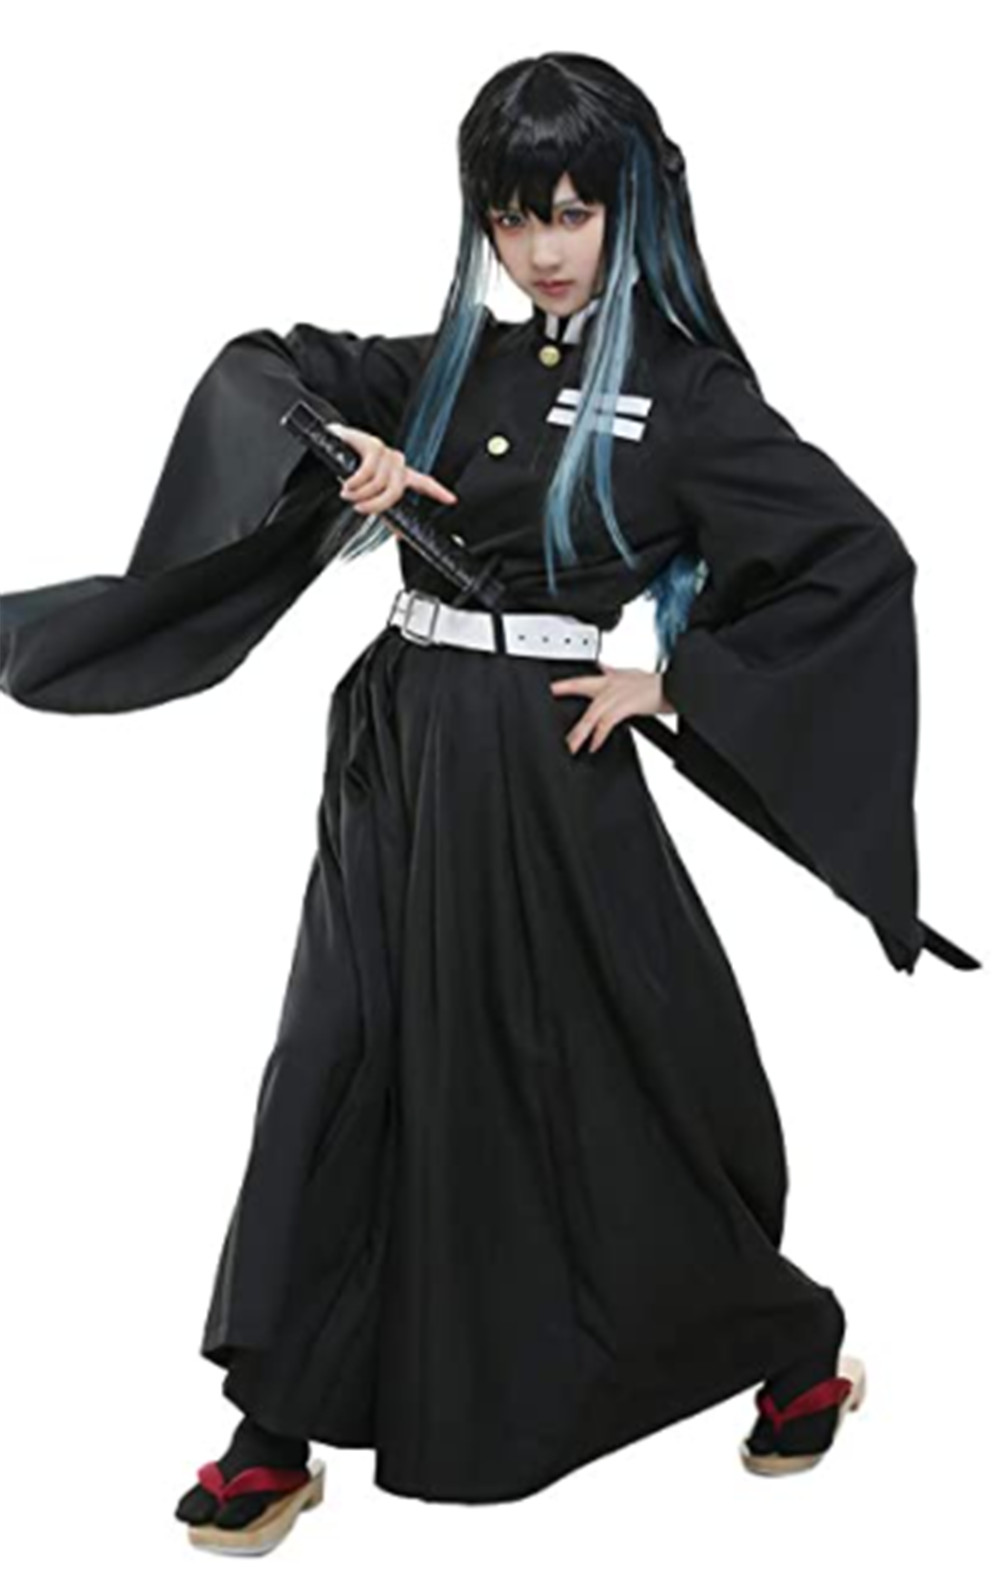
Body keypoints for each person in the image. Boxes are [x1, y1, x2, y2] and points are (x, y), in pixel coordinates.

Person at [0, 52, 979, 1552]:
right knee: (337, 1057)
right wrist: (344, 444)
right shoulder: (452, 363)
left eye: (572, 211)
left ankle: (791, 1339)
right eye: (513, 216)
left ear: (631, 206)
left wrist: (677, 683)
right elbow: (260, 364)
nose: (541, 248)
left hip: (544, 766)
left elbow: (854, 558)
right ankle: (275, 1425)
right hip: (395, 749)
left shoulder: (690, 394)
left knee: (601, 1084)